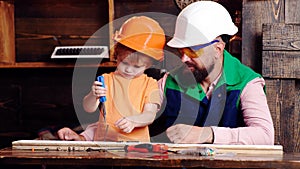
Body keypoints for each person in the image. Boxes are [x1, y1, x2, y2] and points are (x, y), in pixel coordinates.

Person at [149, 1, 274, 145]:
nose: (184, 58)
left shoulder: (246, 82)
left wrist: (209, 134)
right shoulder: (168, 81)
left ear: (218, 49)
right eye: (181, 51)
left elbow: (265, 136)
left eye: (192, 51)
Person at [58, 16, 165, 142]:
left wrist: (134, 121)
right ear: (116, 56)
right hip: (103, 143)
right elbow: (89, 108)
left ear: (148, 65)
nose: (129, 70)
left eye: (137, 66)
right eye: (124, 62)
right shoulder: (106, 79)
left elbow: (150, 115)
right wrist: (94, 95)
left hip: (136, 146)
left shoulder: (150, 85)